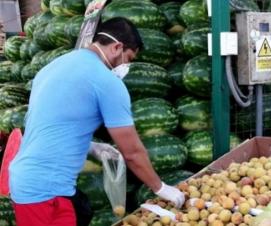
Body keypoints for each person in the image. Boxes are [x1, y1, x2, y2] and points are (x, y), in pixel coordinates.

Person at [9, 17, 185, 226]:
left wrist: (92, 147)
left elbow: (49, 124)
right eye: (128, 58)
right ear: (117, 47)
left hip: (28, 179)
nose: (127, 66)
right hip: (46, 191)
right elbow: (133, 153)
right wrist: (161, 188)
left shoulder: (56, 65)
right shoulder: (106, 81)